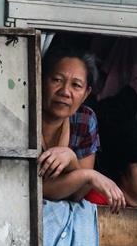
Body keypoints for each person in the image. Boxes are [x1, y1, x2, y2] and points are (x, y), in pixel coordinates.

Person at [38, 45, 125, 211]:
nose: (65, 91)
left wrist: (71, 160)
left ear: (86, 93)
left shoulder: (84, 119)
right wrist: (88, 175)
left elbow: (78, 193)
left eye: (76, 85)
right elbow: (33, 187)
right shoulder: (22, 114)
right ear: (41, 81)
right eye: (57, 80)